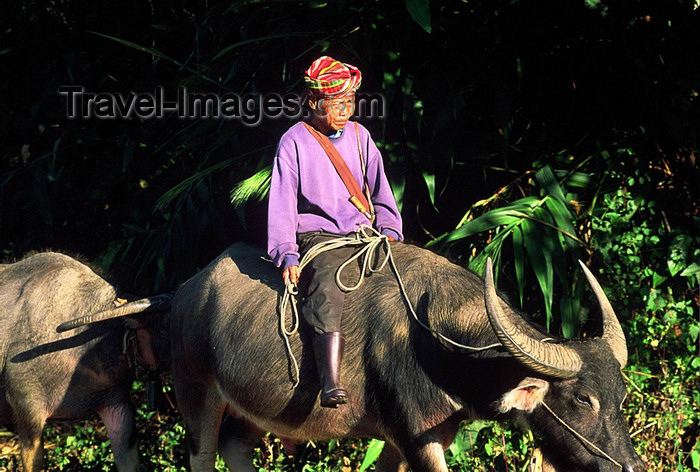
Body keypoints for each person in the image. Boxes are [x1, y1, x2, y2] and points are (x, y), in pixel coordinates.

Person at [267, 56, 403, 407]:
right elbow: (282, 203)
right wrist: (287, 253)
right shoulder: (293, 141)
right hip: (321, 237)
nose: (344, 110)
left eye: (349, 102)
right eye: (336, 103)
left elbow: (380, 188)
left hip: (364, 234)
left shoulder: (361, 136)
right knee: (327, 284)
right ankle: (329, 381)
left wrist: (390, 228)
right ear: (314, 102)